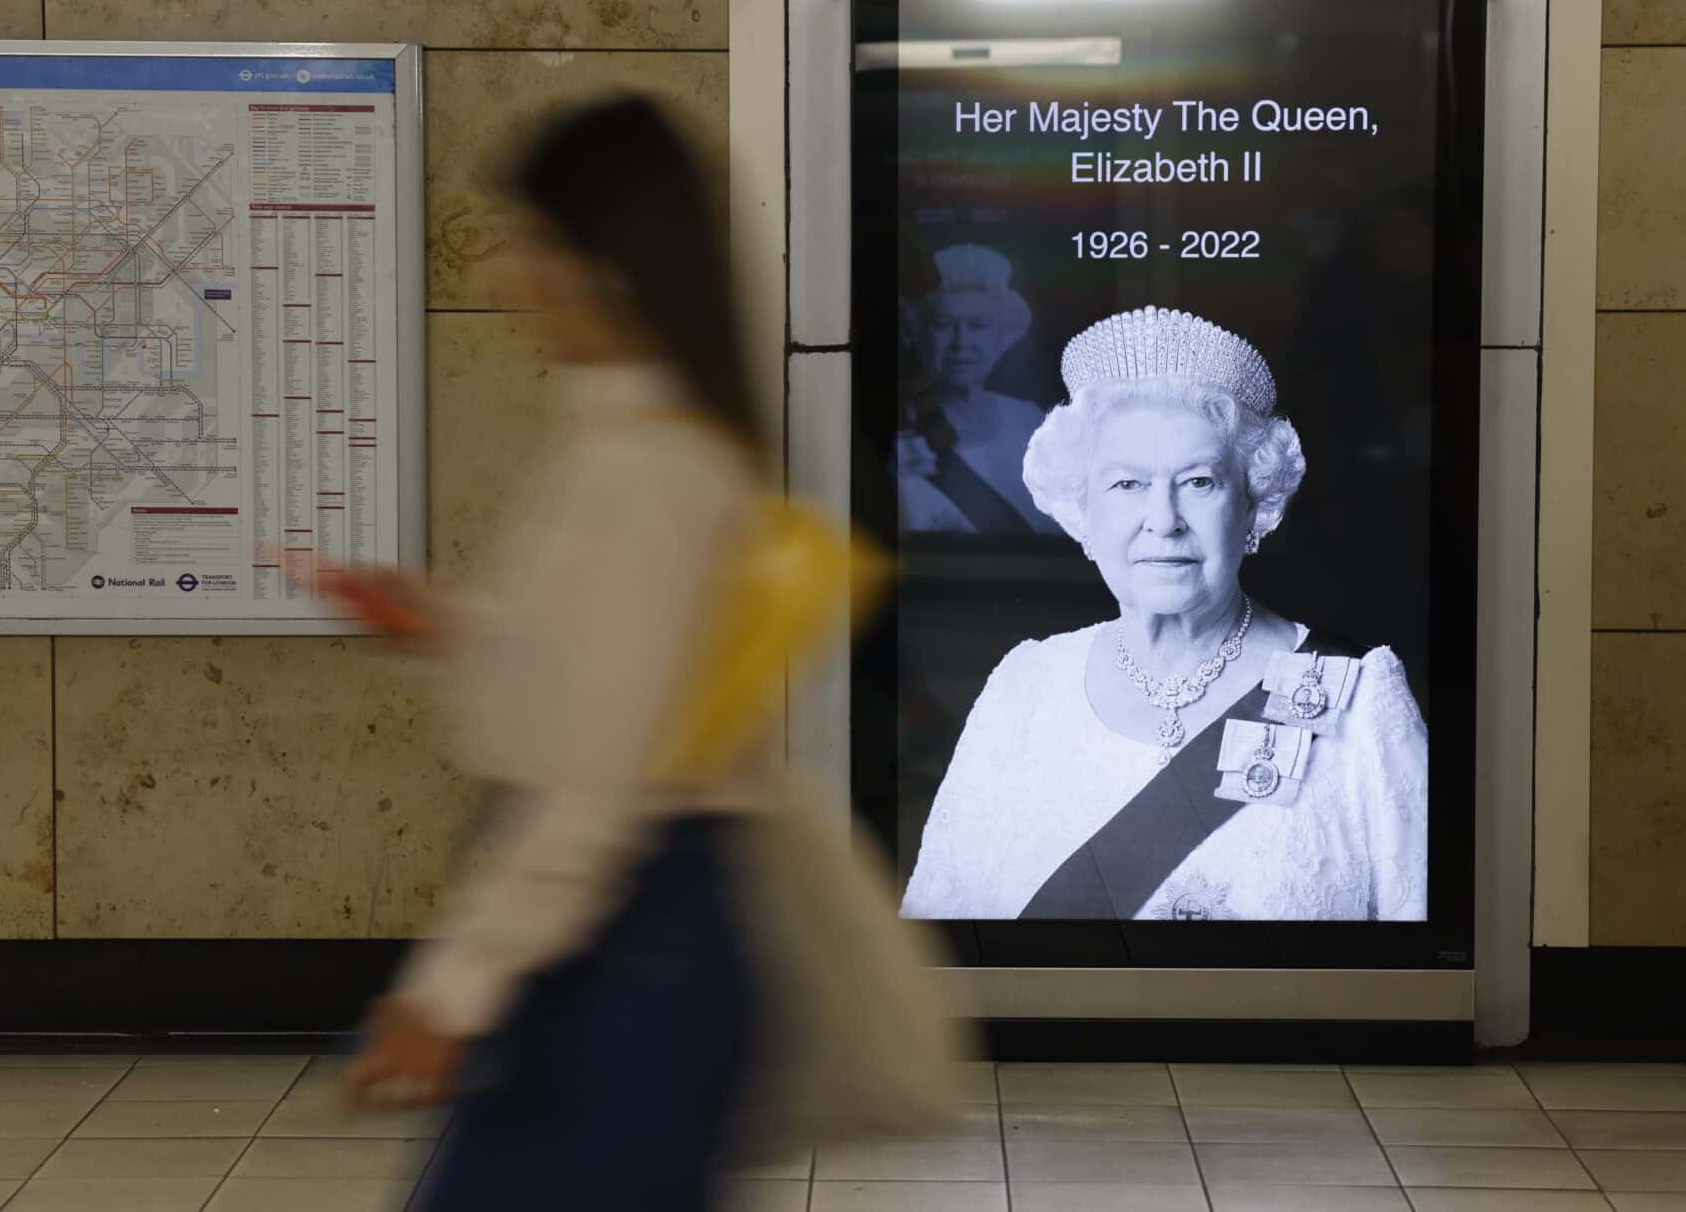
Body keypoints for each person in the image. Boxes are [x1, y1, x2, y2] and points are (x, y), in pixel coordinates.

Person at [332, 97, 776, 1211]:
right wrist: (452, 633)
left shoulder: (649, 470)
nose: (502, 276)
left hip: (632, 939)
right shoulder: (635, 444)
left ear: (603, 265)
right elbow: (591, 680)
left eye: (530, 243)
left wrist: (452, 987)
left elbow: (595, 782)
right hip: (630, 932)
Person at [900, 306, 1429, 923]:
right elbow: (937, 957)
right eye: (1127, 485)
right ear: (1082, 512)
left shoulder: (1359, 701)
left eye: (1199, 482)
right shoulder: (1025, 688)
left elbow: (1421, 978)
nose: (1163, 520)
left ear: (1254, 506)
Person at [896, 244, 1063, 536]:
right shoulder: (901, 434)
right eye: (944, 325)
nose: (961, 343)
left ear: (1001, 334)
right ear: (918, 332)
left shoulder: (1029, 420)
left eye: (978, 326)